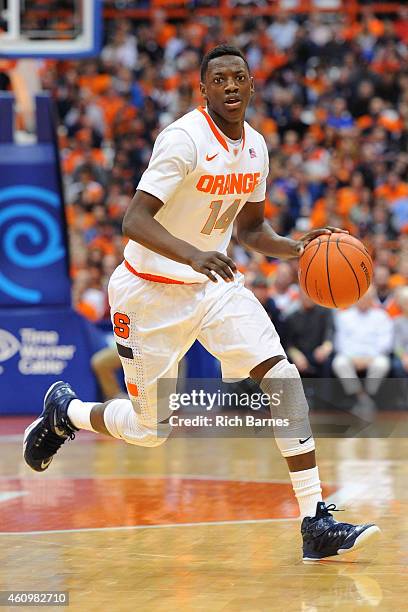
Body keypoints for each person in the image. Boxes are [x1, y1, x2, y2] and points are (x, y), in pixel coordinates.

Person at [23, 45, 379, 561]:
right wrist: (194, 255)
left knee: (282, 377)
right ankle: (67, 412)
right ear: (204, 89)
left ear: (253, 86)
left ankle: (314, 520)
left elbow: (252, 228)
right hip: (149, 291)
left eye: (240, 77)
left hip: (214, 286)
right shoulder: (183, 140)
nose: (231, 86)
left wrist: (297, 245)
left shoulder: (255, 146)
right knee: (150, 431)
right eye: (220, 79)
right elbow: (134, 221)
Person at [332, 287, 393, 415]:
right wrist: (354, 358)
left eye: (367, 297)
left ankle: (366, 396)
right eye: (361, 298)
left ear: (372, 299)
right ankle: (362, 398)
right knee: (339, 363)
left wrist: (369, 358)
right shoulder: (344, 316)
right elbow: (340, 342)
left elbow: (386, 342)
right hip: (351, 356)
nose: (364, 300)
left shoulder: (382, 316)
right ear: (355, 299)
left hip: (373, 357)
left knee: (382, 364)